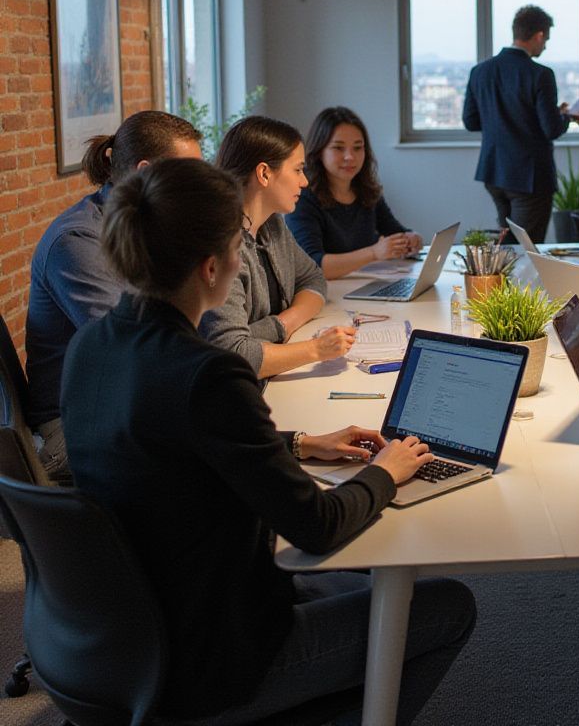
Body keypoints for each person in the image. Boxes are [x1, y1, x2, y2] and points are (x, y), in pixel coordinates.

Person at [60, 158, 475, 724]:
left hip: (125, 628)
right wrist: (388, 471)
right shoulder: (209, 375)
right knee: (446, 604)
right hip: (215, 655)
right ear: (211, 268)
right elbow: (317, 526)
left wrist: (301, 442)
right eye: (238, 247)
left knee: (376, 583)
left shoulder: (93, 347)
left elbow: (169, 445)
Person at [25, 110, 203, 482]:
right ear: (144, 171)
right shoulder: (77, 242)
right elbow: (135, 350)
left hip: (126, 398)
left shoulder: (147, 226)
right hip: (71, 424)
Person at [202, 115, 353, 380]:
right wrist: (317, 349)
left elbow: (313, 279)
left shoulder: (273, 225)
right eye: (297, 170)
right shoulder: (220, 244)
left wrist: (284, 323)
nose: (304, 181)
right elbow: (233, 352)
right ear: (263, 173)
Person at [462, 4, 578, 242]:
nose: (545, 46)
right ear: (538, 35)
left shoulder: (480, 72)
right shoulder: (540, 74)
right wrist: (566, 117)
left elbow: (471, 121)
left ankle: (502, 280)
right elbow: (551, 129)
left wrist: (502, 118)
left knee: (509, 243)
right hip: (530, 176)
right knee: (528, 248)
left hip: (494, 171)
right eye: (546, 40)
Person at [287, 106, 422, 278]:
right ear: (320, 151)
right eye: (338, 148)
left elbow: (395, 231)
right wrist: (373, 253)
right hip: (326, 293)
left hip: (363, 285)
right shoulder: (303, 196)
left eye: (358, 148)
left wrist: (411, 238)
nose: (350, 157)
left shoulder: (367, 189)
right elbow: (313, 264)